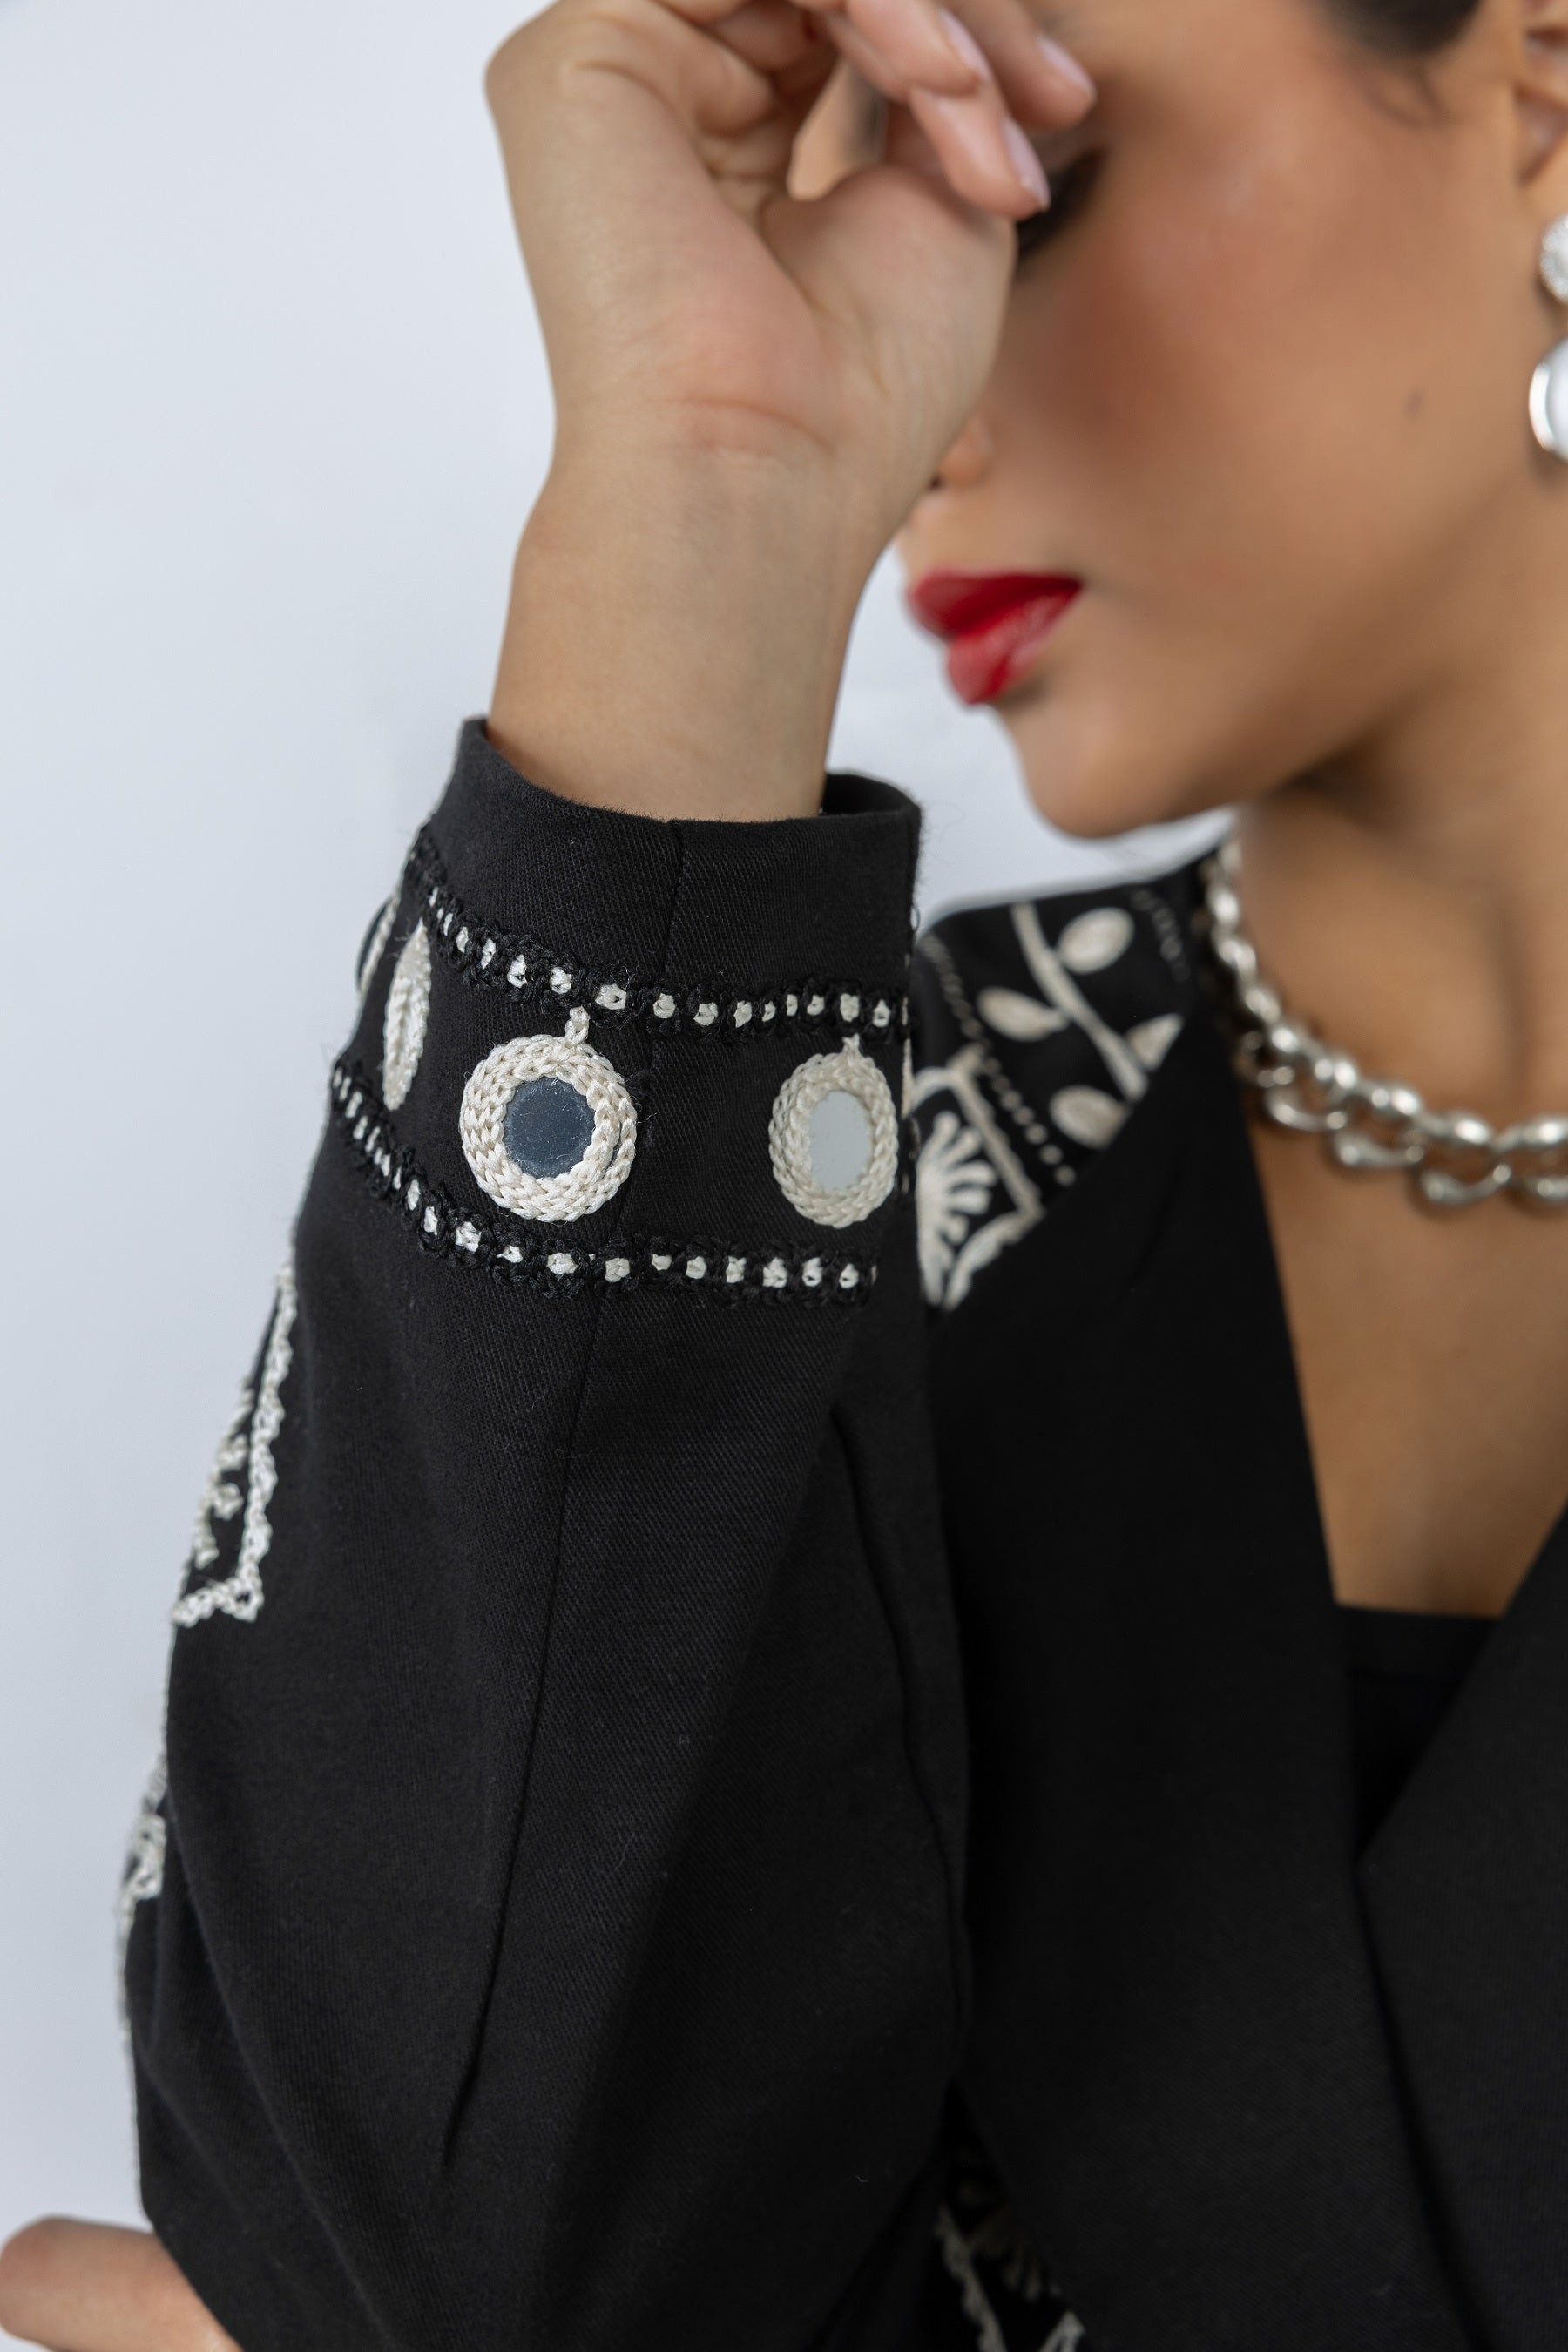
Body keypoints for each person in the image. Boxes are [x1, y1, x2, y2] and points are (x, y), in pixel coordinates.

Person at [6, 0, 1568, 2340]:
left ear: (1539, 90)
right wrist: (705, 504)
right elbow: (404, 2225)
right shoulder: (774, 1165)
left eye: (1035, 177)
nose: (929, 419)